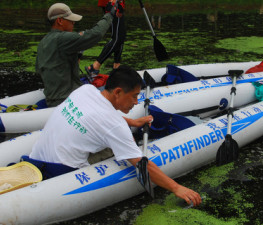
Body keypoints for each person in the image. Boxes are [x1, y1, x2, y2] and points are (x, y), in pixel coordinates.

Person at [28, 65, 202, 207]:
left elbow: (98, 115)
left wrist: (132, 123)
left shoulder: (86, 90)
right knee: (127, 144)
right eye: (134, 96)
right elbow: (142, 164)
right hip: (63, 173)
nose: (136, 103)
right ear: (118, 92)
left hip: (36, 157)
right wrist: (177, 188)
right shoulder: (115, 126)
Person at [36, 3, 118, 107]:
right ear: (59, 21)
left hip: (53, 99)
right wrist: (109, 14)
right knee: (118, 87)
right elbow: (96, 34)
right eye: (70, 20)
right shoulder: (62, 39)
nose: (73, 23)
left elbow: (47, 69)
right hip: (69, 99)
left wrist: (76, 57)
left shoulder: (43, 42)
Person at [85, 0, 126, 80]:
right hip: (114, 4)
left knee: (120, 36)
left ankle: (116, 67)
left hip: (114, 3)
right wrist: (118, 5)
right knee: (117, 38)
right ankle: (94, 67)